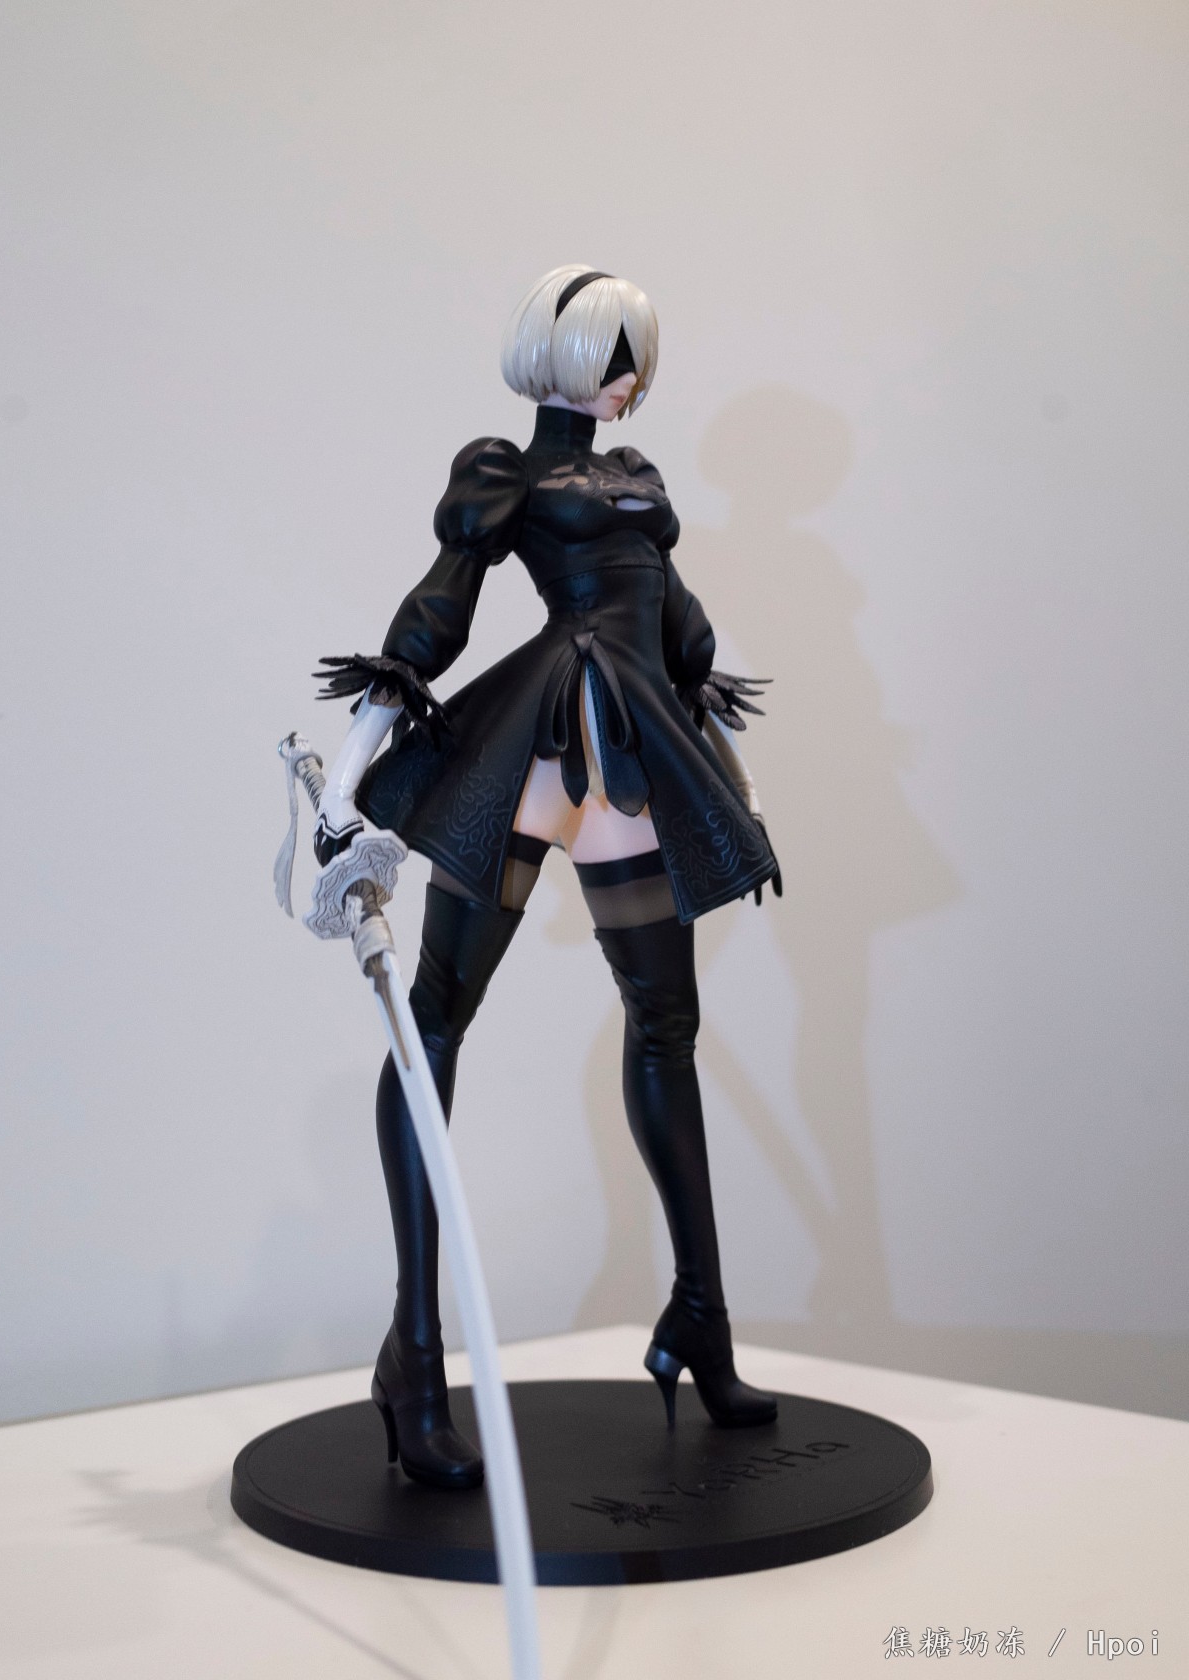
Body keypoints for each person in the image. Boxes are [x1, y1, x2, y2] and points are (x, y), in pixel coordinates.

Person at [313, 265, 782, 1489]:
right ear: (565, 353)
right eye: (616, 354)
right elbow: (433, 621)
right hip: (537, 743)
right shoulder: (506, 474)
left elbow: (685, 644)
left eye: (640, 359)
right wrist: (342, 786)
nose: (631, 379)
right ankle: (414, 1356)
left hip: (632, 749)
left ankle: (699, 1317)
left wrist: (733, 784)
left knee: (666, 1023)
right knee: (434, 1020)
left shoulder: (640, 483)